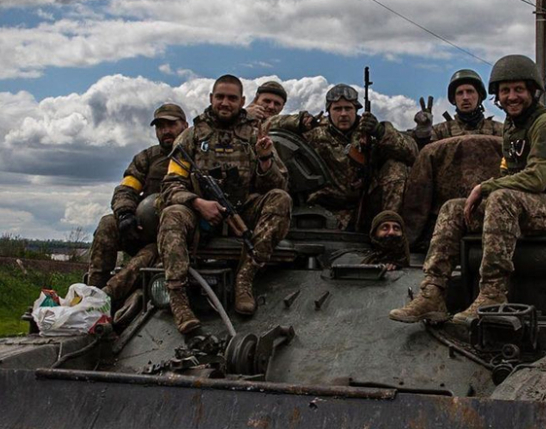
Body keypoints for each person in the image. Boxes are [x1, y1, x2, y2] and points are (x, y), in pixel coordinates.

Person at [390, 55, 546, 323]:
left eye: (519, 89)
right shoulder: (512, 125)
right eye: (505, 91)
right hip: (532, 206)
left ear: (533, 91)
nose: (511, 97)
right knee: (453, 208)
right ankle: (432, 292)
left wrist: (485, 187)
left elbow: (537, 179)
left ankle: (493, 293)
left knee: (501, 199)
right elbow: (510, 174)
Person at [158, 74, 291, 334]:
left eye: (232, 98)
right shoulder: (190, 137)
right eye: (220, 97)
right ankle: (178, 300)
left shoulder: (255, 136)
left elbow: (279, 184)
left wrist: (265, 160)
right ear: (211, 98)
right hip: (200, 214)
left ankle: (244, 279)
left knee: (281, 200)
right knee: (172, 213)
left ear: (242, 101)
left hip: (242, 211)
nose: (225, 103)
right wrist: (197, 202)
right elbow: (170, 185)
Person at [269, 84, 417, 230]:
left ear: (356, 110)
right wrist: (298, 121)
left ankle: (389, 228)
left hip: (367, 205)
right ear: (328, 111)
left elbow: (412, 152)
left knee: (396, 167)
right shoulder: (315, 131)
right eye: (337, 109)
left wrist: (381, 132)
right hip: (327, 208)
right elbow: (268, 125)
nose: (343, 114)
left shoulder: (370, 131)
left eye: (348, 108)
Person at [87, 103, 188, 294]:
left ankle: (107, 296)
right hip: (142, 228)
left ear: (185, 125)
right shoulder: (147, 158)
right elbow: (126, 189)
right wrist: (125, 214)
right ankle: (93, 288)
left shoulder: (196, 156)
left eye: (171, 125)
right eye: (160, 127)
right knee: (108, 223)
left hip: (174, 236)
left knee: (143, 259)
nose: (166, 131)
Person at [410, 69, 503, 149]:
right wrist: (423, 135)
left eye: (470, 91)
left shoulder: (499, 130)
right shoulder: (440, 132)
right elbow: (419, 154)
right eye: (460, 93)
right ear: (453, 99)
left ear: (480, 96)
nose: (465, 97)